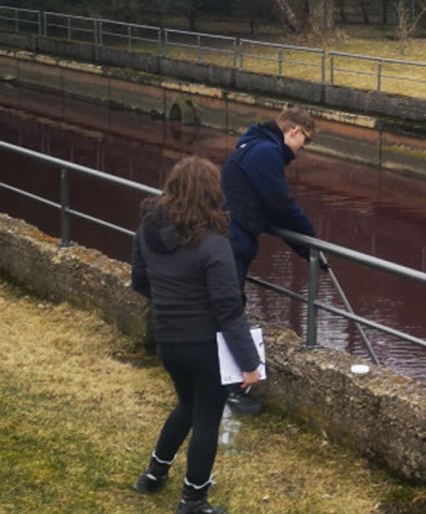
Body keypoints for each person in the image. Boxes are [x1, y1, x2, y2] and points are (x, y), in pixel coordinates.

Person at [130, 156, 262, 514]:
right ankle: (193, 499)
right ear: (211, 194)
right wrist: (251, 365)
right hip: (205, 347)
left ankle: (154, 474)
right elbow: (229, 310)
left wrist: (172, 301)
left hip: (169, 341)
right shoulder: (215, 243)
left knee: (187, 405)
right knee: (206, 418)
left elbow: (140, 281)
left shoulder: (147, 231)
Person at [219, 107, 318, 416]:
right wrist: (312, 247)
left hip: (228, 238)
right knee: (230, 309)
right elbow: (281, 205)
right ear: (295, 131)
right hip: (231, 241)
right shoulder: (266, 154)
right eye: (307, 140)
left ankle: (226, 385)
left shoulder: (253, 145)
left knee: (226, 306)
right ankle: (232, 390)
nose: (303, 149)